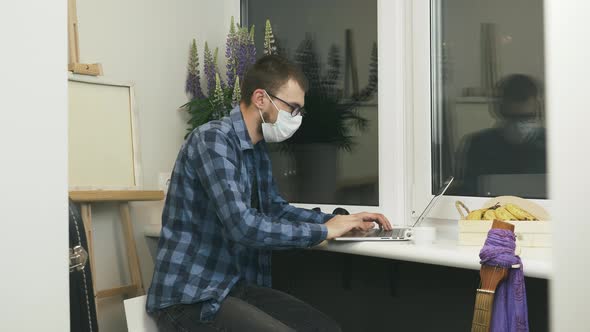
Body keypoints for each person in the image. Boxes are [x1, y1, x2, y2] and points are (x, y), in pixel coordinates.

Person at [146, 55, 391, 331]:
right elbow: (243, 226)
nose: (296, 118)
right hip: (191, 298)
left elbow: (274, 209)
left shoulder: (256, 149)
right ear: (261, 98)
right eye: (292, 108)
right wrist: (324, 232)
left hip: (232, 289)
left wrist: (338, 221)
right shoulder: (212, 140)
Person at [456, 74, 547, 197]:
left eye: (526, 118)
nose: (518, 126)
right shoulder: (479, 145)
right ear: (497, 109)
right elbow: (467, 193)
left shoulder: (551, 145)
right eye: (512, 118)